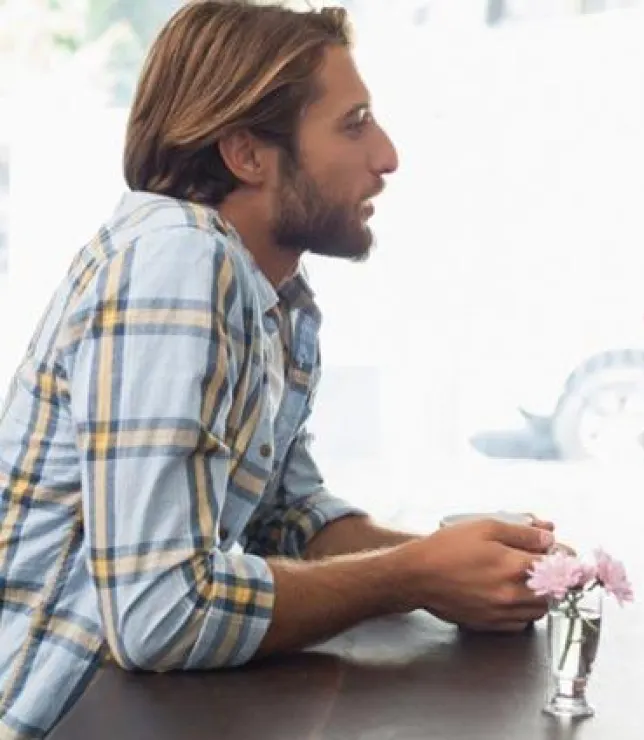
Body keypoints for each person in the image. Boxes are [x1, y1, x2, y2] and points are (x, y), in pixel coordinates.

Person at [0, 3, 559, 737]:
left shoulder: (273, 299)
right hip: (44, 717)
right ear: (247, 155)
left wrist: (456, 567)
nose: (387, 156)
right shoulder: (176, 260)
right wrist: (414, 574)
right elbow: (159, 614)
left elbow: (283, 520)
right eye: (354, 124)